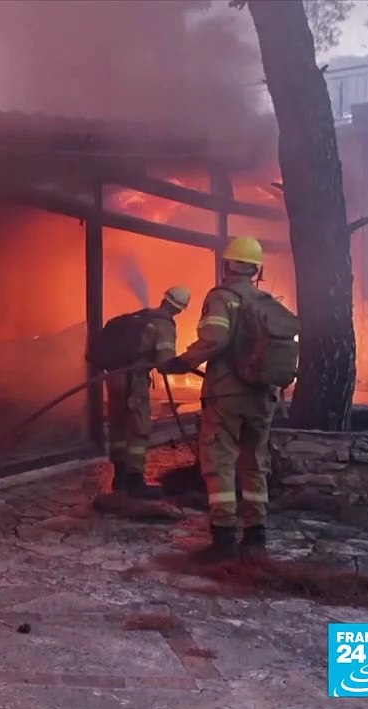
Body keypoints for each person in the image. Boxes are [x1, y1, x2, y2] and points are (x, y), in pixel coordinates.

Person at [161, 236, 296, 563]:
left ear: (227, 265)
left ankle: (223, 540)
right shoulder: (266, 301)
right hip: (262, 396)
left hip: (227, 394)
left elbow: (214, 339)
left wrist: (181, 362)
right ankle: (255, 535)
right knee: (254, 463)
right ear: (256, 269)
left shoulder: (222, 297)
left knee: (219, 462)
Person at [102, 286, 190, 499]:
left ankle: (119, 477)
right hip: (134, 380)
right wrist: (185, 364)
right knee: (140, 427)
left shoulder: (142, 316)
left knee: (119, 425)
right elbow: (165, 363)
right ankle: (134, 480)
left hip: (114, 377)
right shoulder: (163, 325)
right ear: (179, 309)